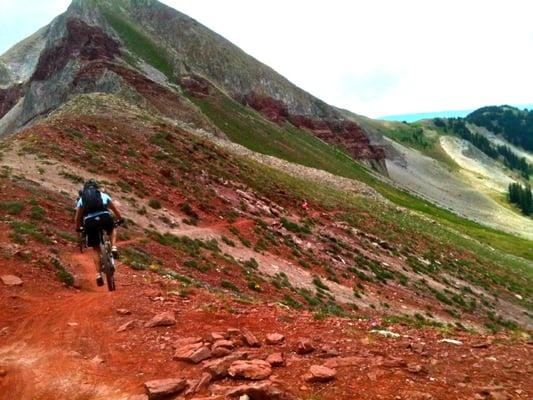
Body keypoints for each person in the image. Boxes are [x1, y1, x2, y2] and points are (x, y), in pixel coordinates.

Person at [75, 179, 123, 286]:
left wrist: (78, 228)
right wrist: (120, 219)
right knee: (112, 228)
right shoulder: (103, 195)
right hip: (104, 217)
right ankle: (114, 247)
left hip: (89, 222)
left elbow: (77, 218)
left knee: (96, 248)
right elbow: (115, 210)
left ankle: (98, 274)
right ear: (96, 187)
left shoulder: (82, 199)